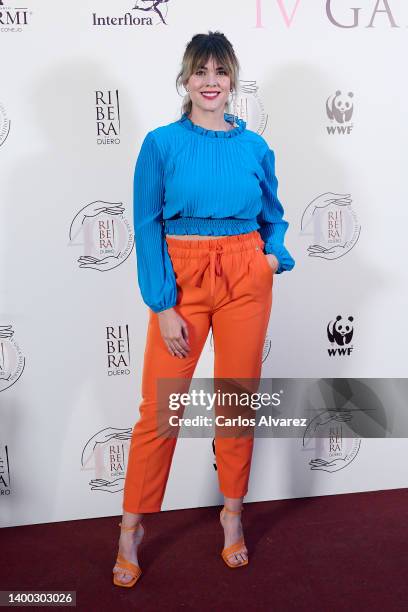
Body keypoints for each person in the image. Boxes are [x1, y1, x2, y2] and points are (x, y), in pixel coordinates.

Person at [112, 30, 295, 587]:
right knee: (161, 411)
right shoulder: (161, 144)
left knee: (236, 402)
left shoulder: (253, 147)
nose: (210, 82)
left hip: (245, 274)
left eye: (220, 72)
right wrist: (163, 304)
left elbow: (273, 214)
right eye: (200, 72)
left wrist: (271, 259)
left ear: (232, 79)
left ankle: (232, 515)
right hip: (182, 279)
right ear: (185, 80)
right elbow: (146, 227)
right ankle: (130, 528)